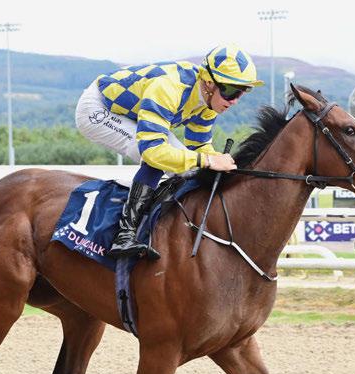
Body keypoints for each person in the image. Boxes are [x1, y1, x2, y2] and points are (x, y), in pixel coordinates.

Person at [75, 44, 263, 259]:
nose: (235, 100)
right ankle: (125, 234)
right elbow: (153, 152)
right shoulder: (169, 88)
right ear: (209, 82)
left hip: (130, 111)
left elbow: (198, 147)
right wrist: (208, 160)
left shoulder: (208, 103)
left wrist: (218, 162)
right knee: (160, 157)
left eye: (242, 92)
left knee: (187, 166)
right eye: (231, 91)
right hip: (98, 108)